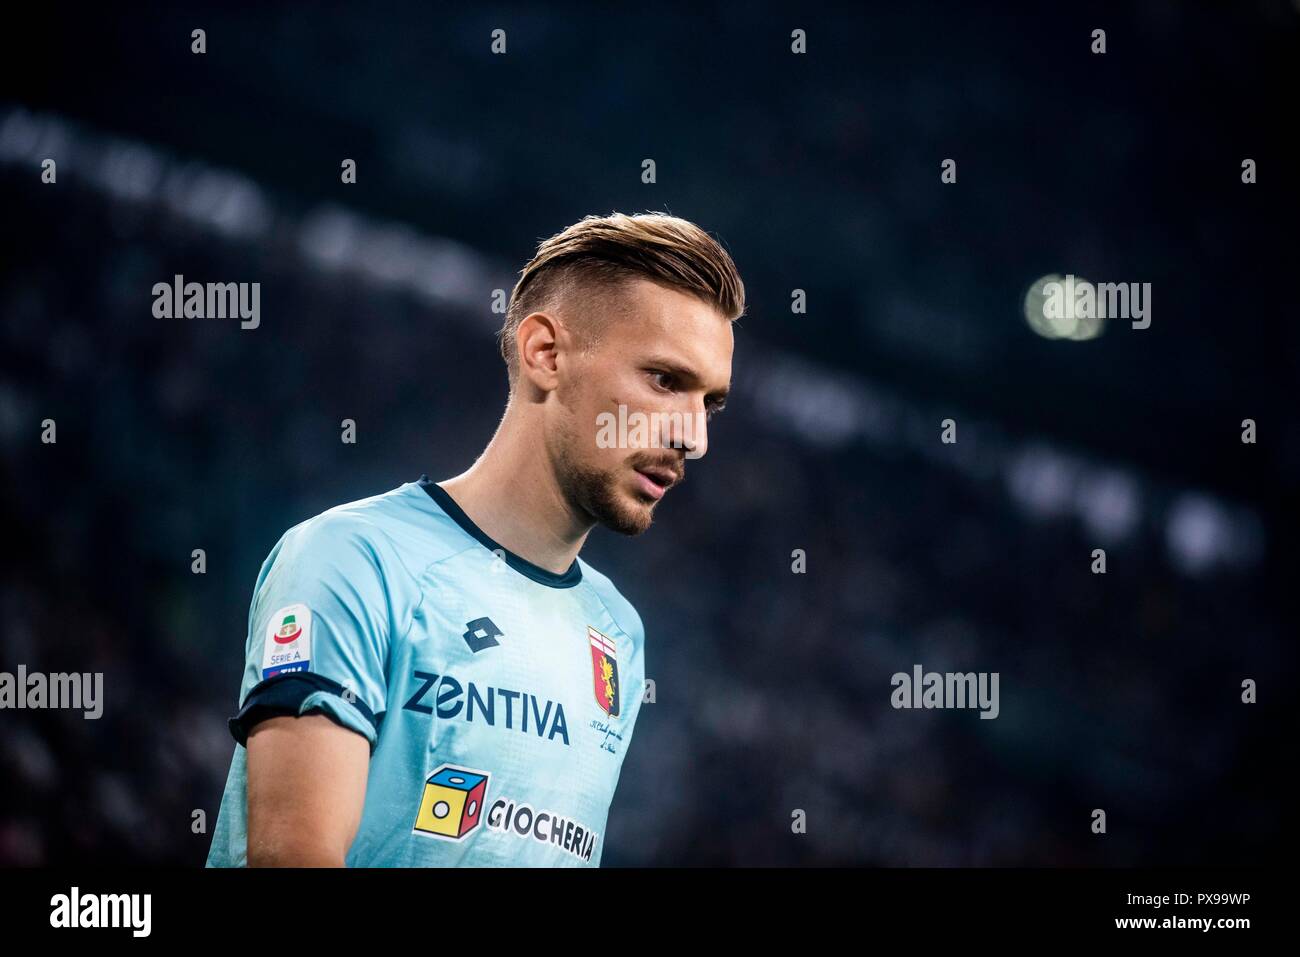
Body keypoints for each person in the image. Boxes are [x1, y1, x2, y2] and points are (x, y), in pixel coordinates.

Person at [206, 211, 745, 866]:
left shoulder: (618, 635)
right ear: (545, 352)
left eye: (709, 403)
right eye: (665, 380)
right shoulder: (355, 559)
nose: (694, 436)